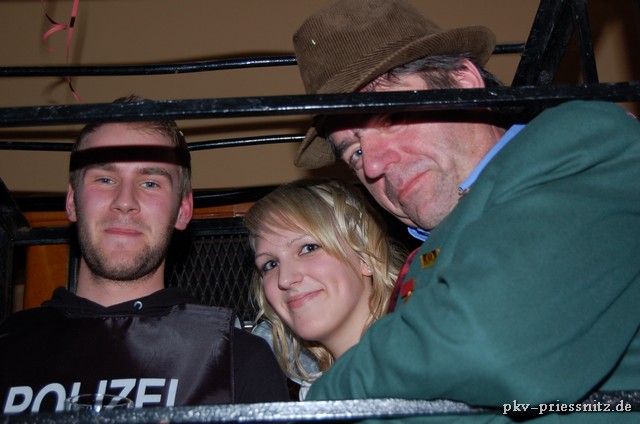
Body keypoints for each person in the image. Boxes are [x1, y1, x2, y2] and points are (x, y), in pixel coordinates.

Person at [291, 0, 640, 421]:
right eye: (355, 153)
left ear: (465, 81)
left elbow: (495, 347)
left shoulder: (576, 142)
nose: (374, 165)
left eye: (393, 116)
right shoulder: (425, 257)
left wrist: (323, 404)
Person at [0, 95, 289, 416]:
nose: (125, 201)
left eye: (150, 183)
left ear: (183, 210)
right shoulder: (8, 347)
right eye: (105, 179)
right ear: (71, 202)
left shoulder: (235, 360)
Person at [244, 178, 406, 399]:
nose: (285, 279)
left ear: (365, 256)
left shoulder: (424, 364)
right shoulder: (316, 392)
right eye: (271, 264)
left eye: (308, 248)